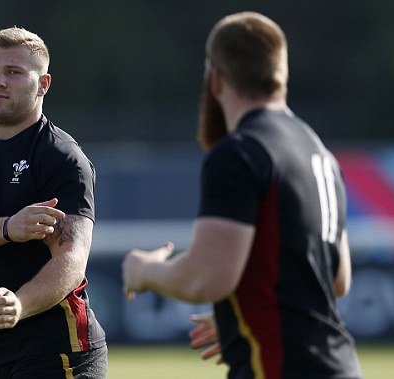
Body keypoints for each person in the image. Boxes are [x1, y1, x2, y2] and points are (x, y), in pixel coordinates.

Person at [122, 11, 362, 379]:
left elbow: (207, 277)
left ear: (215, 79)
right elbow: (336, 278)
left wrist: (145, 271)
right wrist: (245, 313)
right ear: (282, 76)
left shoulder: (240, 151)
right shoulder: (320, 153)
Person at [0, 26, 107, 379]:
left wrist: (20, 304)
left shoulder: (62, 158)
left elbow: (72, 261)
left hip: (61, 349)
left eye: (13, 72)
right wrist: (9, 227)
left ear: (43, 84)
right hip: (0, 349)